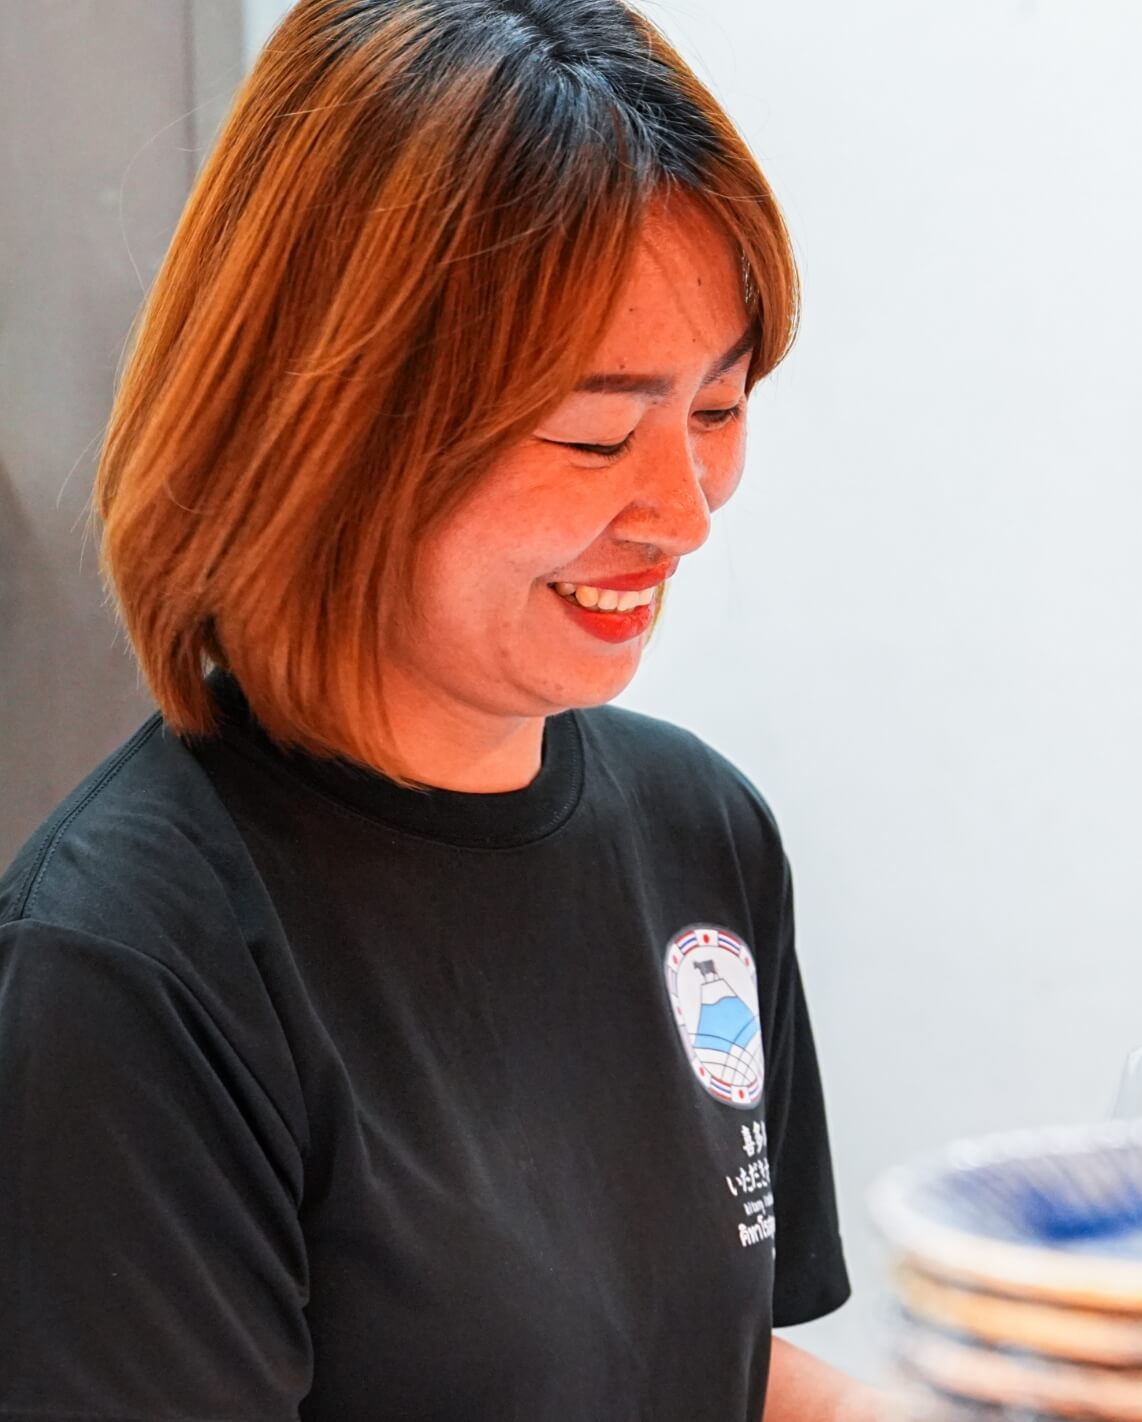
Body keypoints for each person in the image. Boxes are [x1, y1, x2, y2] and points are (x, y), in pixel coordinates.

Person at [0, 1, 886, 1417]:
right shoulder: (125, 968)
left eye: (716, 411)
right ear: (335, 426)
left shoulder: (699, 833)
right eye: (595, 432)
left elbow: (721, 1372)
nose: (682, 512)